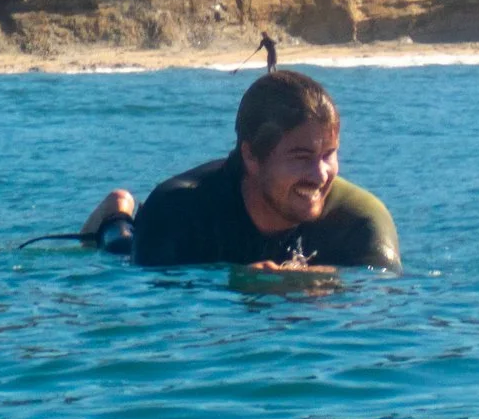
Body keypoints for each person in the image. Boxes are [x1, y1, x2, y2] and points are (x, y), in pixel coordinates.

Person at [79, 65, 401, 270]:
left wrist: (325, 282)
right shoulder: (177, 212)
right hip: (153, 238)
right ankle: (116, 214)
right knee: (122, 247)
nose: (320, 175)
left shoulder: (360, 221)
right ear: (251, 157)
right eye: (301, 156)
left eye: (329, 154)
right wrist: (242, 282)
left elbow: (377, 300)